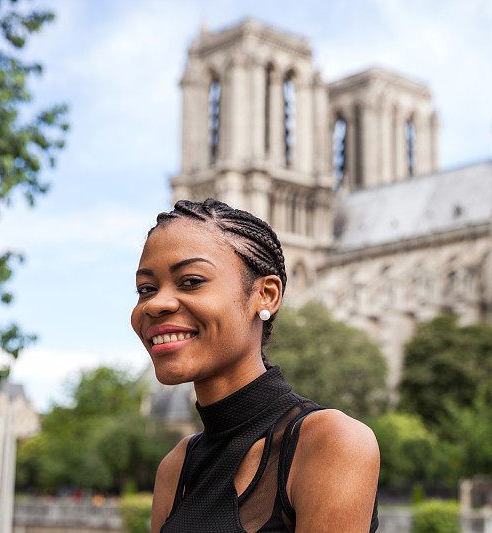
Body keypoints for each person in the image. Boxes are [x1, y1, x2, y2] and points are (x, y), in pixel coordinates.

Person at [130, 198, 381, 532]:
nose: (155, 304)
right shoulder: (175, 466)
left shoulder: (331, 442)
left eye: (191, 281)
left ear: (266, 295)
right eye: (146, 288)